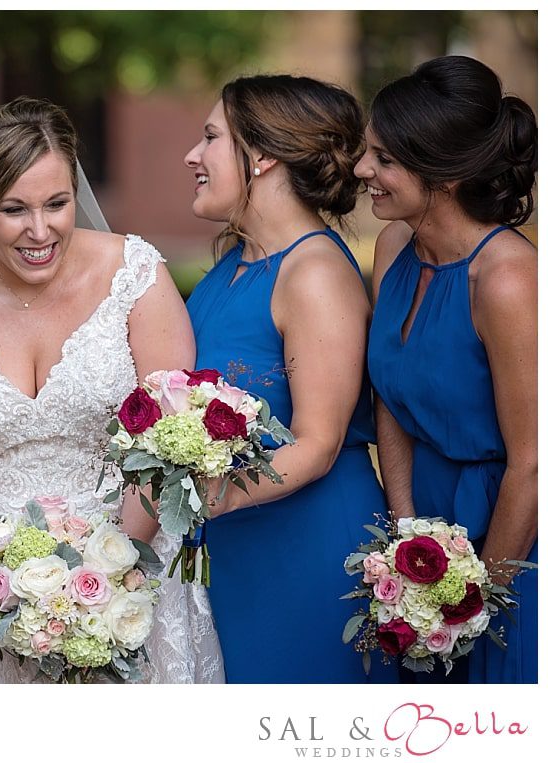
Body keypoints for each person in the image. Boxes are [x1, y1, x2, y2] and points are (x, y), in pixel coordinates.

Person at [0, 97, 221, 683]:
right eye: (14, 210)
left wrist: (110, 574)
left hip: (126, 563)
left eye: (57, 204)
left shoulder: (134, 275)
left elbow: (170, 442)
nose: (42, 231)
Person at [180, 75, 389, 683]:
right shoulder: (236, 261)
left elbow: (317, 444)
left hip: (304, 544)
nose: (194, 155)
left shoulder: (314, 271)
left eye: (212, 137)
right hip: (236, 545)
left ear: (263, 155)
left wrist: (192, 504)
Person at [360, 55, 536, 684]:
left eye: (383, 159)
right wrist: (406, 537)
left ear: (445, 173)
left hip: (509, 527)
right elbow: (390, 395)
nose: (362, 171)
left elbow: (533, 461)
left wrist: (475, 600)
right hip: (421, 514)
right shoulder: (392, 247)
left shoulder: (509, 278)